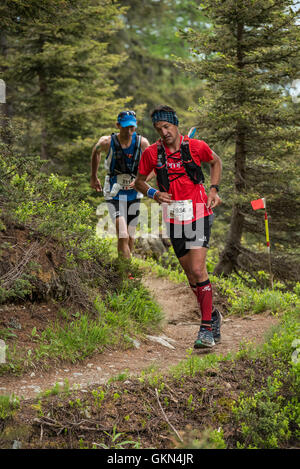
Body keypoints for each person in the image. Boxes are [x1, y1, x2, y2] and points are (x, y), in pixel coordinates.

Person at [134, 105, 223, 349]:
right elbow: (139, 182)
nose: (163, 132)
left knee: (197, 269)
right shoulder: (152, 154)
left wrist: (213, 190)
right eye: (158, 128)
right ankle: (212, 315)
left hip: (198, 214)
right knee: (190, 276)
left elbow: (216, 162)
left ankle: (205, 330)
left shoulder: (196, 146)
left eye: (166, 126)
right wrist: (154, 193)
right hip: (173, 218)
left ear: (176, 125)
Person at [90, 110, 150, 261]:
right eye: (125, 127)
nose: (129, 131)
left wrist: (140, 181)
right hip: (114, 192)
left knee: (130, 235)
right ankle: (127, 273)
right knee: (122, 234)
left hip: (134, 193)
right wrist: (94, 176)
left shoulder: (142, 143)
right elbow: (95, 152)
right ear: (118, 125)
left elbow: (153, 166)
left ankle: (125, 269)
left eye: (132, 128)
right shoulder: (107, 142)